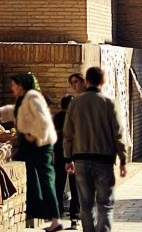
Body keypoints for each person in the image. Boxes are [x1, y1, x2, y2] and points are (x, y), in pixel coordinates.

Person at [0, 72, 62, 232]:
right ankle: (36, 210)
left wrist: (34, 134)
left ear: (22, 85)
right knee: (30, 174)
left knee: (46, 179)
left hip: (40, 144)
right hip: (30, 143)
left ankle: (55, 218)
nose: (12, 88)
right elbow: (17, 111)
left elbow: (43, 119)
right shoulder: (24, 99)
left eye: (14, 85)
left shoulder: (32, 97)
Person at [62, 65, 127, 232]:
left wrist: (68, 159)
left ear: (87, 81)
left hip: (81, 160)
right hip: (104, 161)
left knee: (86, 204)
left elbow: (67, 134)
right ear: (103, 81)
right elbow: (118, 134)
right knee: (105, 205)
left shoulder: (75, 104)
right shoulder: (109, 103)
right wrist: (123, 160)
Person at [54, 96, 81, 228]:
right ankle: (74, 218)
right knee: (75, 187)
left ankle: (58, 214)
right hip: (74, 155)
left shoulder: (57, 117)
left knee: (58, 185)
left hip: (59, 154)